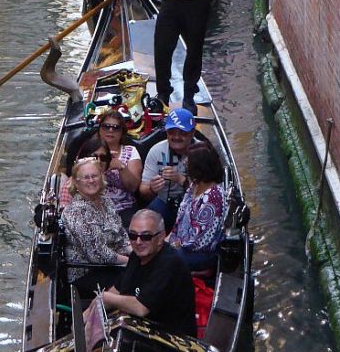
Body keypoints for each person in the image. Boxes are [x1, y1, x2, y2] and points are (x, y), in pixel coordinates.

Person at [101, 209, 197, 337]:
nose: (138, 242)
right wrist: (89, 314)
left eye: (146, 236)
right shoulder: (137, 256)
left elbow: (140, 308)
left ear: (160, 238)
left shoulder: (170, 263)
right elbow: (117, 289)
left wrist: (104, 297)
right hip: (141, 329)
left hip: (170, 339)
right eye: (133, 236)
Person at [61, 157, 131, 296]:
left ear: (101, 177)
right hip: (88, 272)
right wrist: (131, 262)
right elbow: (98, 254)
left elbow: (120, 232)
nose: (91, 180)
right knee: (137, 280)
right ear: (76, 182)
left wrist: (133, 252)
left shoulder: (105, 199)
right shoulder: (77, 211)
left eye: (94, 176)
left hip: (112, 264)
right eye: (86, 177)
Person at [168, 144, 227, 270]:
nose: (184, 163)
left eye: (187, 161)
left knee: (164, 258)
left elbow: (200, 241)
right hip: (181, 243)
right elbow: (181, 216)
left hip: (200, 253)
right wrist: (169, 239)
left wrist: (176, 245)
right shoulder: (194, 186)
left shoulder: (213, 197)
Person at [138, 107, 196, 229]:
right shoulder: (156, 151)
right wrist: (152, 189)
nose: (176, 137)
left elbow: (209, 191)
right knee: (148, 219)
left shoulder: (203, 153)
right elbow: (143, 190)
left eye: (182, 133)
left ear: (192, 133)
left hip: (195, 204)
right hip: (164, 203)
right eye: (172, 132)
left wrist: (182, 180)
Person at [97, 107, 143, 226]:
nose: (110, 130)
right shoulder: (90, 149)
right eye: (106, 126)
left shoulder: (130, 151)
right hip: (96, 205)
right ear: (100, 129)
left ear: (122, 132)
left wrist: (121, 167)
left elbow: (133, 187)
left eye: (116, 127)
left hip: (124, 207)